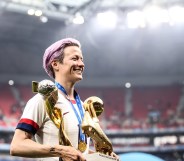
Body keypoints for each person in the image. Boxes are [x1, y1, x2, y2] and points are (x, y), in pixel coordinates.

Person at [10, 38, 119, 161]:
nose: (81, 64)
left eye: (81, 59)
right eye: (75, 58)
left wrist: (103, 157)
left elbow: (77, 151)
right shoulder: (42, 100)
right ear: (55, 64)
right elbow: (16, 145)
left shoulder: (81, 106)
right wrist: (60, 151)